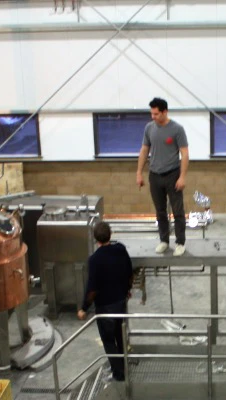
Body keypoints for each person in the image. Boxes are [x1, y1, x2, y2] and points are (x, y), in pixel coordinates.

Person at [78, 221, 133, 382]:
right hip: (120, 303)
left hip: (105, 308)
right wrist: (127, 290)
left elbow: (92, 288)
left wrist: (83, 308)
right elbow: (129, 272)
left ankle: (119, 374)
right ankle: (122, 366)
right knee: (119, 336)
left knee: (109, 340)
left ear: (96, 239)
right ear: (110, 234)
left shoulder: (95, 259)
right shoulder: (120, 249)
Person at [136, 97, 190, 256]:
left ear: (165, 112)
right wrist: (139, 172)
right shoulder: (149, 128)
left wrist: (182, 177)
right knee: (160, 211)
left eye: (156, 114)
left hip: (173, 175)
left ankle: (180, 242)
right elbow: (144, 150)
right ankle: (164, 241)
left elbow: (185, 153)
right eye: (151, 114)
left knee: (178, 211)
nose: (153, 117)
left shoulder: (177, 129)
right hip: (155, 175)